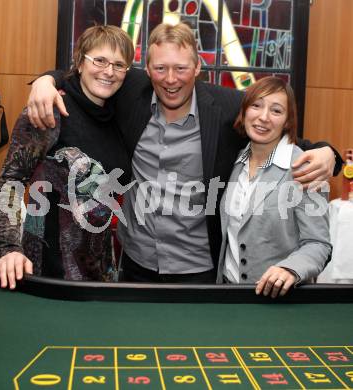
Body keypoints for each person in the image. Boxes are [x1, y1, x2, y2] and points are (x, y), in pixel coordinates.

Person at [26, 23, 341, 284]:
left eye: (181, 68)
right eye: (160, 68)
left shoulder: (227, 106)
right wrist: (45, 81)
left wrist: (329, 153)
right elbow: (88, 71)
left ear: (198, 68)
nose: (171, 78)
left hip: (199, 269)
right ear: (146, 70)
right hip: (135, 264)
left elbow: (272, 126)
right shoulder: (129, 93)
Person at [0, 25, 135, 289]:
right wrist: (8, 247)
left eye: (119, 64)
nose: (109, 71)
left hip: (101, 275)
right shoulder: (51, 109)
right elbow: (11, 180)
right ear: (80, 62)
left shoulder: (118, 116)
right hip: (46, 270)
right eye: (100, 60)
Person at [216, 76, 331, 297]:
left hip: (279, 302)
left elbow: (318, 244)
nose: (263, 117)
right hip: (227, 296)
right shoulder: (234, 161)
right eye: (256, 106)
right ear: (244, 111)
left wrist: (289, 269)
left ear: (288, 120)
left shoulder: (306, 169)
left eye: (276, 111)